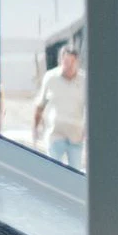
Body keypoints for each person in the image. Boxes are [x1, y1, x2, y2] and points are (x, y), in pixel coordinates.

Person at [28, 42, 86, 170]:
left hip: (76, 136)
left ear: (77, 62)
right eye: (66, 62)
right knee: (54, 170)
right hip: (55, 134)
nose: (69, 66)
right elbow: (40, 105)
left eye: (73, 62)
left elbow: (90, 108)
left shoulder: (84, 80)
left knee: (75, 173)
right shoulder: (50, 78)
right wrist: (35, 128)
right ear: (60, 61)